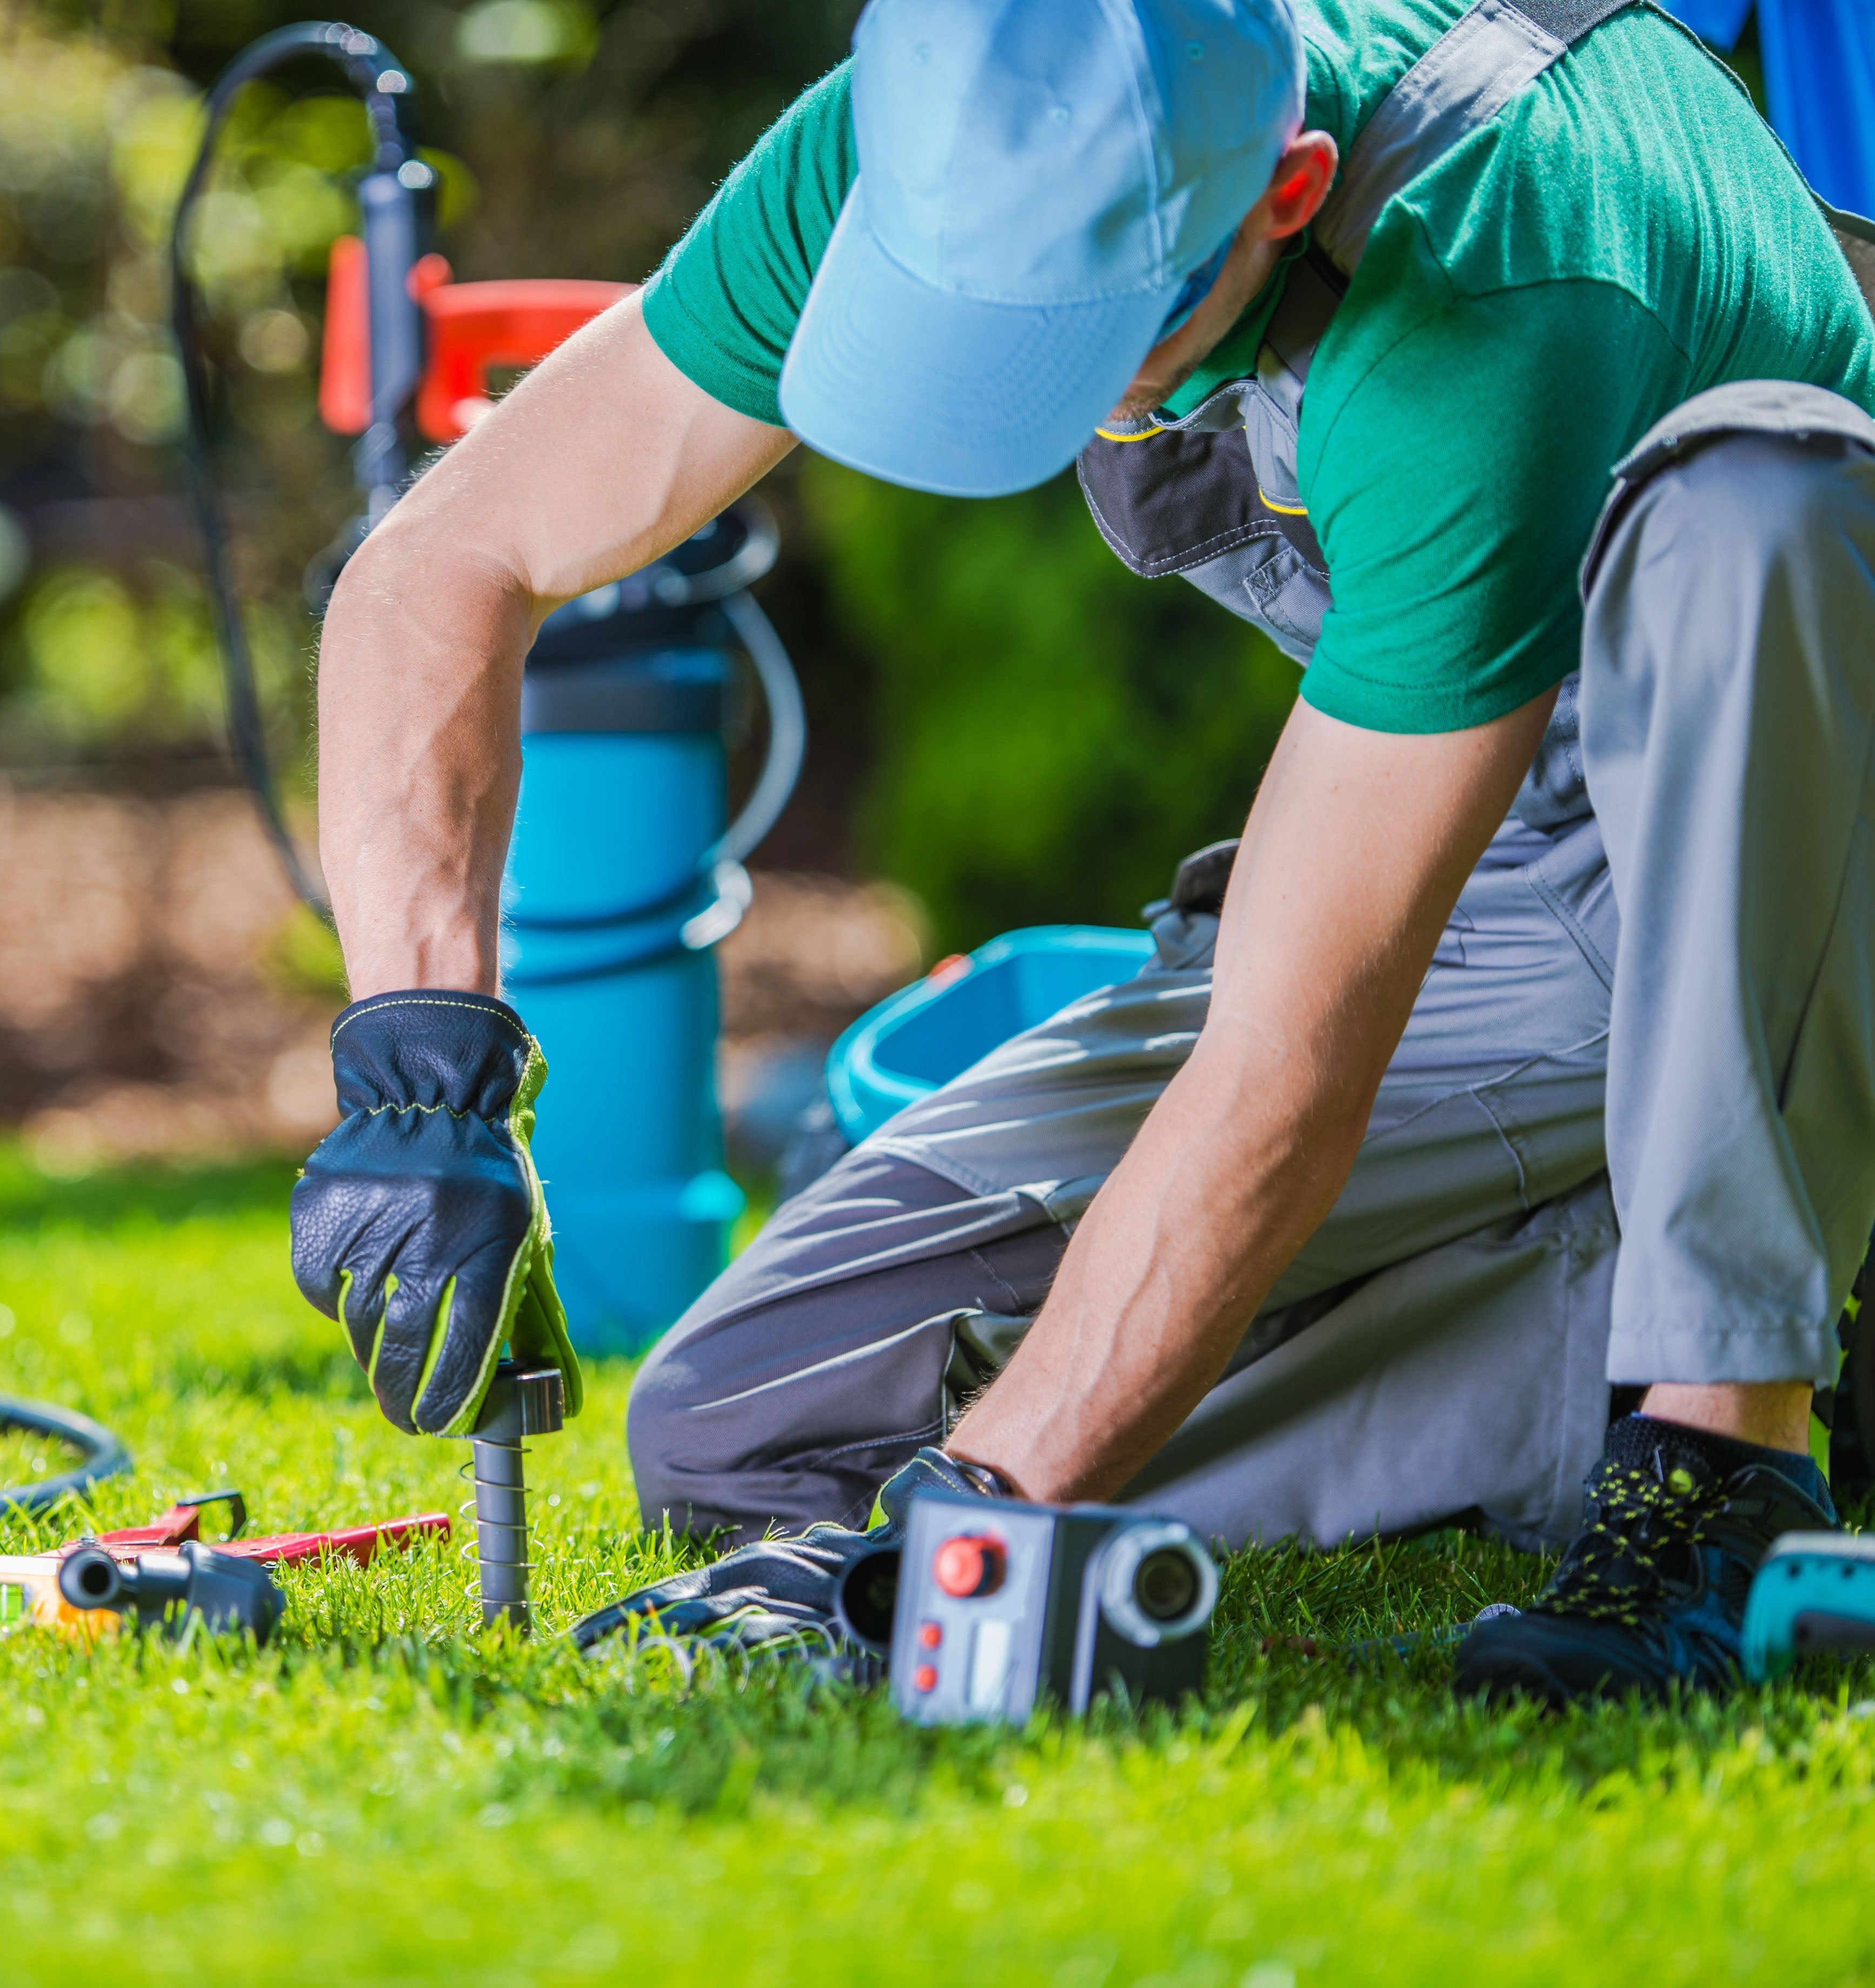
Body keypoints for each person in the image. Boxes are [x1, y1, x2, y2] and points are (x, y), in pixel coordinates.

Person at [289, 0, 1875, 1703]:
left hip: (1795, 858)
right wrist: (419, 1067)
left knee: (1756, 502)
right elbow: (443, 566)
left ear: (1289, 196)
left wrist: (976, 1521)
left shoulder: (1486, 277)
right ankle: (1702, 1317)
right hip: (1495, 866)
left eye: (1084, 341)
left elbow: (1288, 1066)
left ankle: (1721, 1451)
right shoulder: (949, 119)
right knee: (741, 1421)